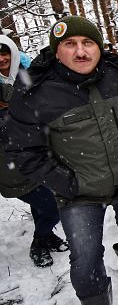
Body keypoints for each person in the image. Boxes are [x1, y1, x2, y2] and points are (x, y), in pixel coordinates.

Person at [3, 16, 118, 305]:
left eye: (87, 43)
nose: (80, 51)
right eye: (69, 44)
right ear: (56, 51)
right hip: (80, 193)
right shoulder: (37, 92)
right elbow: (22, 150)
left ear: (99, 47)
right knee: (84, 260)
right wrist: (66, 182)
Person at [0, 35, 68, 268]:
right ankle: (39, 242)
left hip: (39, 153)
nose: (1, 59)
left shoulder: (28, 74)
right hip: (10, 161)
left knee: (42, 200)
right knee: (52, 204)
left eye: (5, 52)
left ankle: (46, 236)